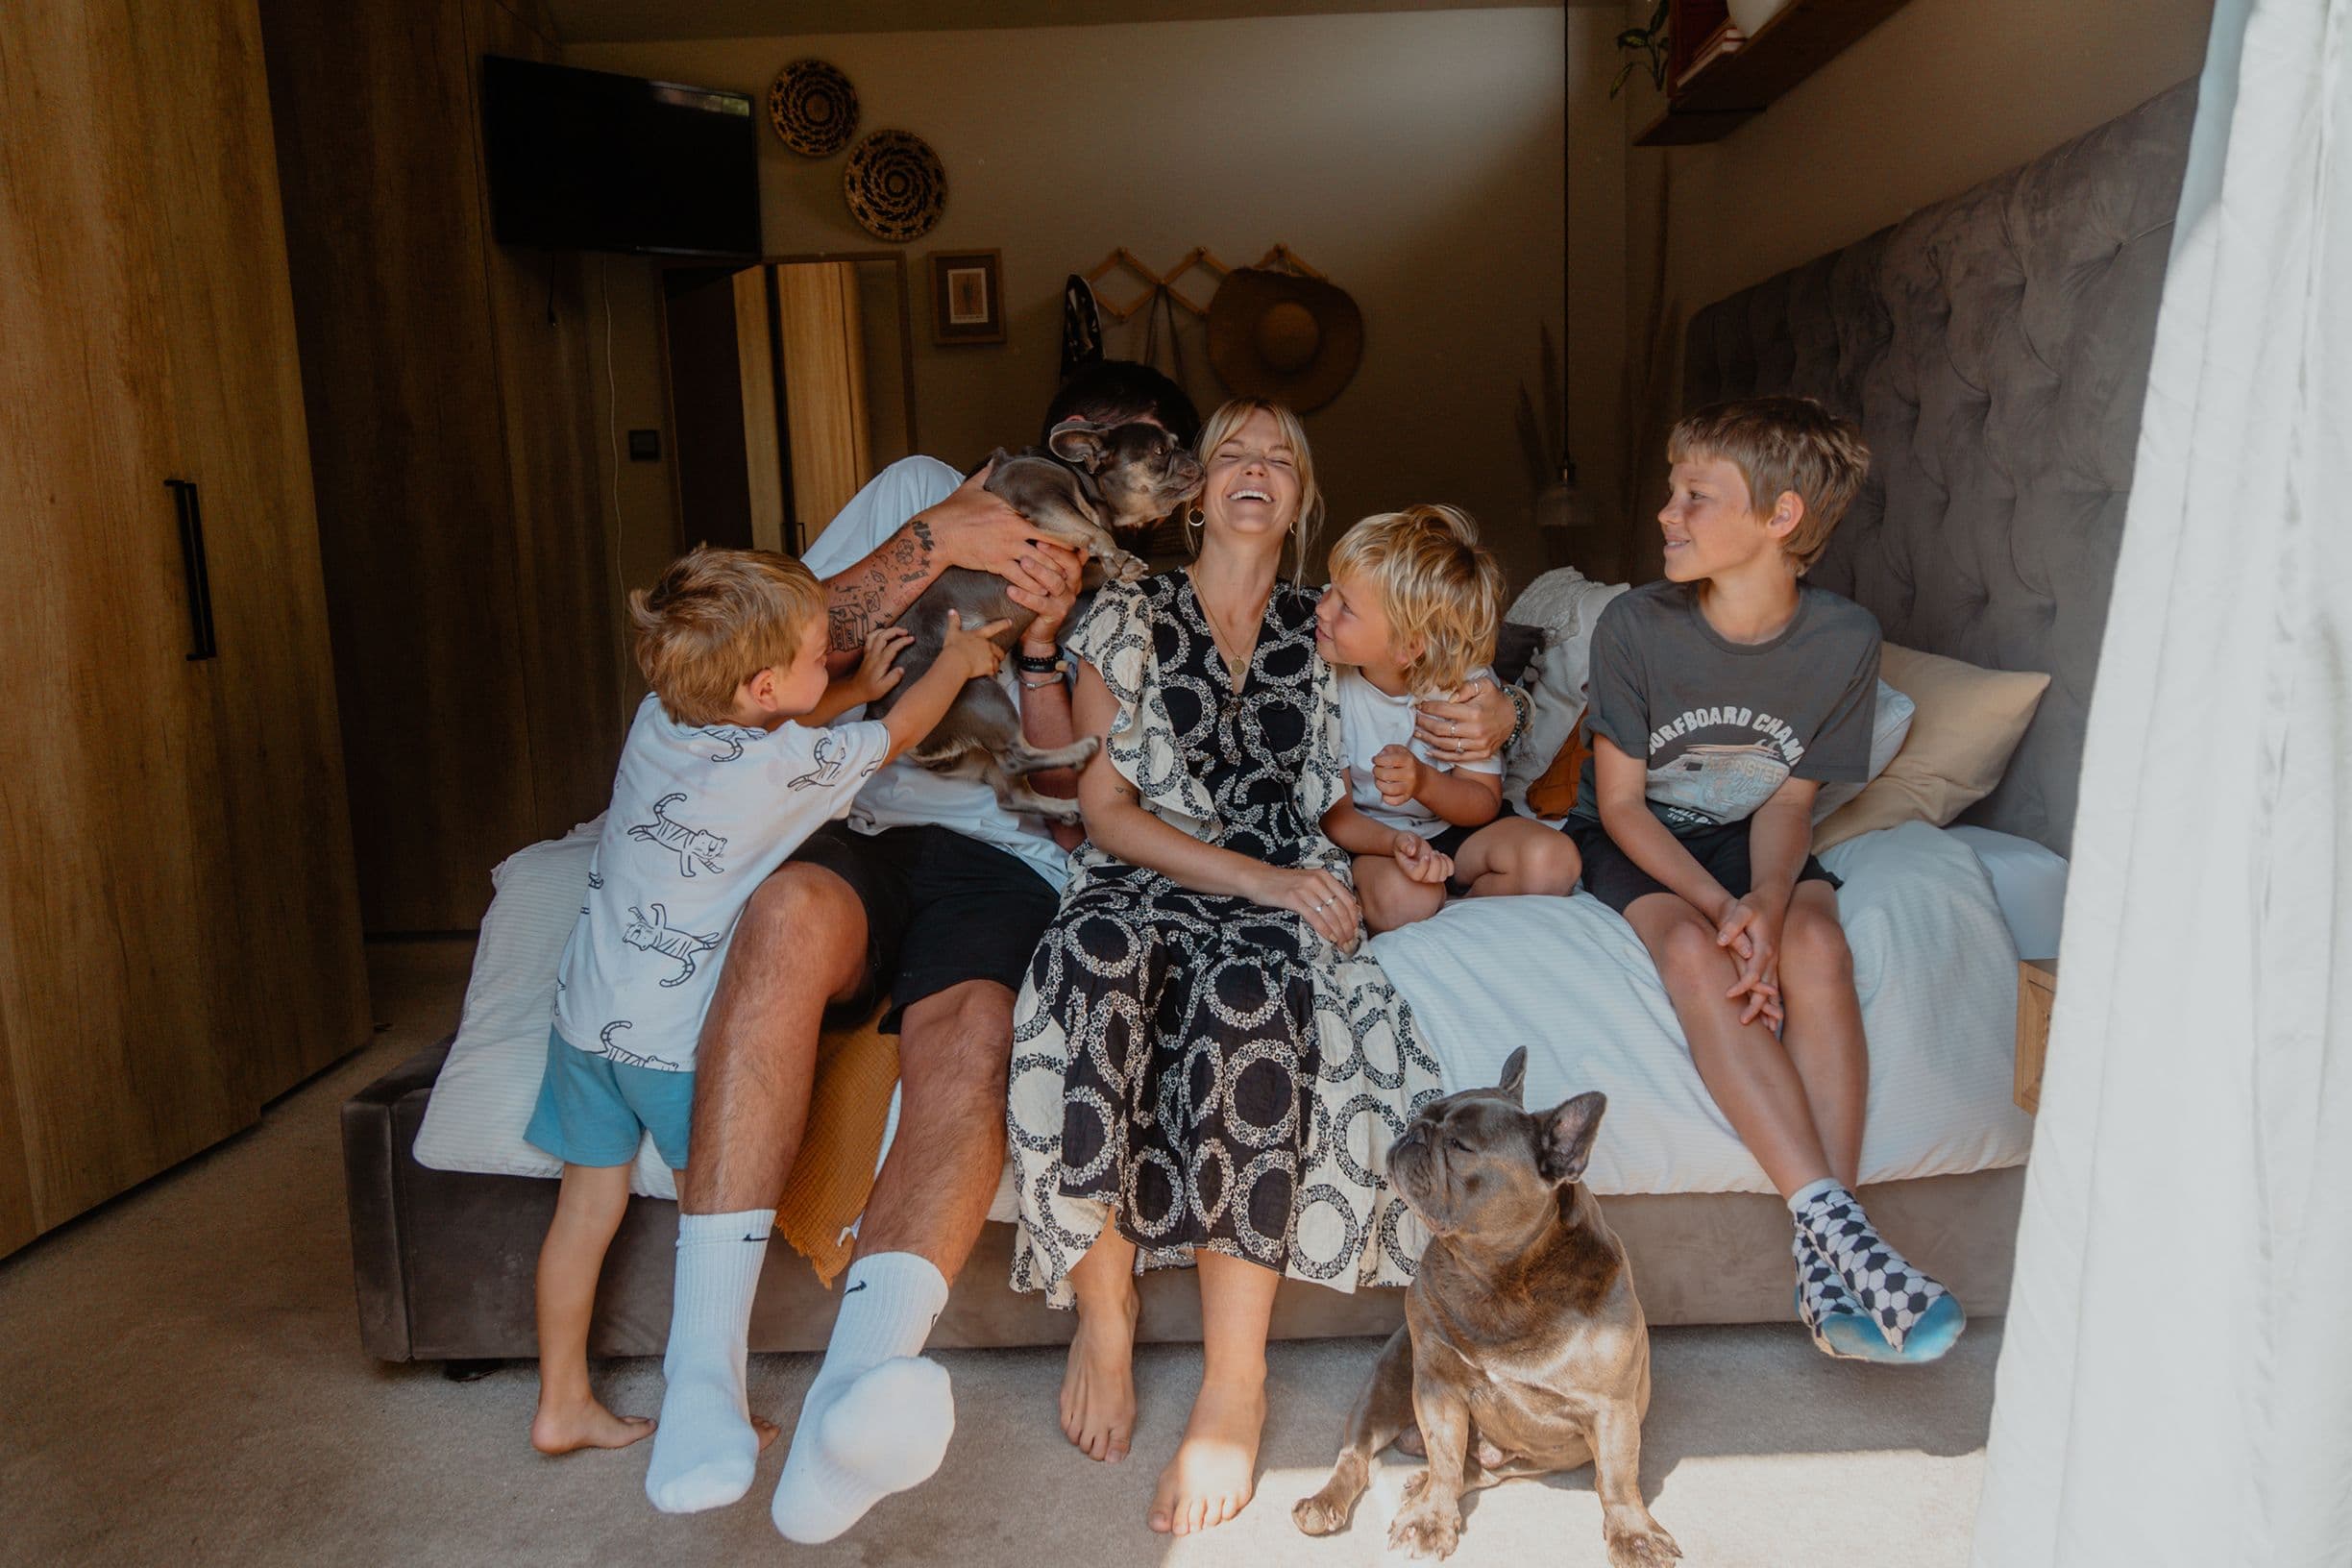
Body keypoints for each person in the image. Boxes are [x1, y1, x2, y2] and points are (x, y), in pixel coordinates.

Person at [641, 361, 1201, 1543]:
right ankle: (703, 1375)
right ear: (1058, 438)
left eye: (1143, 457)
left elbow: (1090, 803)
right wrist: (934, 537)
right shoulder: (917, 488)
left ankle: (856, 1403)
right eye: (1088, 440)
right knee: (787, 916)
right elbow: (773, 654)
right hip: (852, 814)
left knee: (976, 1030)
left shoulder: (1137, 599)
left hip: (1008, 855)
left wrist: (1046, 646)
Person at [1005, 400, 1441, 1535]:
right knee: (1090, 963)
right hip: (1153, 875)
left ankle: (1232, 1381)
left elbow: (1347, 785)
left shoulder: (1321, 626)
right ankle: (1104, 1313)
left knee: (1254, 997)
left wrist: (1385, 839)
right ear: (1195, 488)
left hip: (1282, 884)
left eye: (1280, 457)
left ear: (1300, 497)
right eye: (1233, 453)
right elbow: (1104, 811)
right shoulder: (1125, 612)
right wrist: (1257, 879)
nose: (1256, 470)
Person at [527, 547, 1006, 1458]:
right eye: (821, 648)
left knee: (582, 1213)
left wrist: (841, 686)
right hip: (671, 1046)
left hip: (585, 1023)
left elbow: (770, 725)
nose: (833, 656)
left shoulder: (658, 720)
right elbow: (898, 733)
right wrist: (955, 663)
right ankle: (713, 1392)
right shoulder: (781, 771)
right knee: (714, 1223)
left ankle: (561, 1401)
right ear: (760, 683)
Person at [1563, 396, 1964, 1363]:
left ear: (1781, 518)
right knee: (1701, 961)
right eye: (1673, 492)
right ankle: (1842, 1237)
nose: (1668, 512)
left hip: (1754, 843)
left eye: (1697, 496)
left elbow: (1788, 806)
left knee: (1819, 944)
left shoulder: (1844, 640)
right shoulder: (1635, 625)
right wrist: (1721, 911)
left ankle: (1830, 1264)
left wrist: (1771, 905)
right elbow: (1619, 806)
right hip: (1640, 839)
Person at [1313, 503, 1583, 932]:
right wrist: (1400, 844)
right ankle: (1432, 901)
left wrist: (1423, 781)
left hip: (1457, 833)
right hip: (1376, 839)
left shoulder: (1464, 685)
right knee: (1406, 902)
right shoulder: (1326, 683)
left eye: (1345, 606)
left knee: (1556, 860)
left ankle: (1462, 908)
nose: (1322, 608)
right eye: (1330, 589)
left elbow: (1482, 802)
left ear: (1408, 647)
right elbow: (1337, 816)